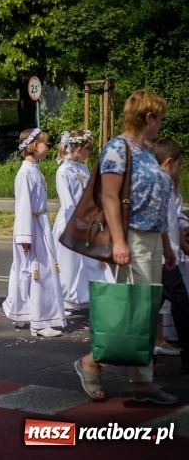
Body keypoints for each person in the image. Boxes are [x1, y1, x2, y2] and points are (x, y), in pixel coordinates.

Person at [75, 90, 177, 404]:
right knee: (131, 311)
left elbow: (155, 205)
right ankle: (92, 362)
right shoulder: (118, 149)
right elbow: (109, 198)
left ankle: (143, 384)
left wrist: (165, 243)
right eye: (159, 118)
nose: (160, 125)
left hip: (151, 240)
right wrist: (119, 241)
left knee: (144, 313)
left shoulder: (145, 150)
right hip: (130, 239)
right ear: (148, 118)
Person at [3, 128, 66, 337]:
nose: (47, 147)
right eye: (45, 143)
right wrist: (24, 237)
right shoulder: (25, 173)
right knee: (39, 272)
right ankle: (39, 322)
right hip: (31, 227)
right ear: (33, 146)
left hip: (40, 223)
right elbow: (22, 205)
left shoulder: (34, 170)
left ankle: (26, 313)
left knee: (39, 271)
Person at [52, 130, 112, 310]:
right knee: (68, 261)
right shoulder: (63, 171)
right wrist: (76, 223)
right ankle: (63, 298)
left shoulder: (83, 168)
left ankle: (83, 295)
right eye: (89, 149)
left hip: (86, 219)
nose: (90, 152)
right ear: (78, 148)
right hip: (70, 221)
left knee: (86, 261)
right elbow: (67, 201)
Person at [151, 138, 189, 372]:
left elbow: (175, 214)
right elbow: (160, 221)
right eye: (180, 165)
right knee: (181, 302)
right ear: (168, 162)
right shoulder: (159, 183)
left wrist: (184, 226)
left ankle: (146, 353)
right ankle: (187, 357)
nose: (180, 170)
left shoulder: (167, 183)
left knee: (153, 305)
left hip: (167, 252)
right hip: (162, 255)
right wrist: (168, 250)